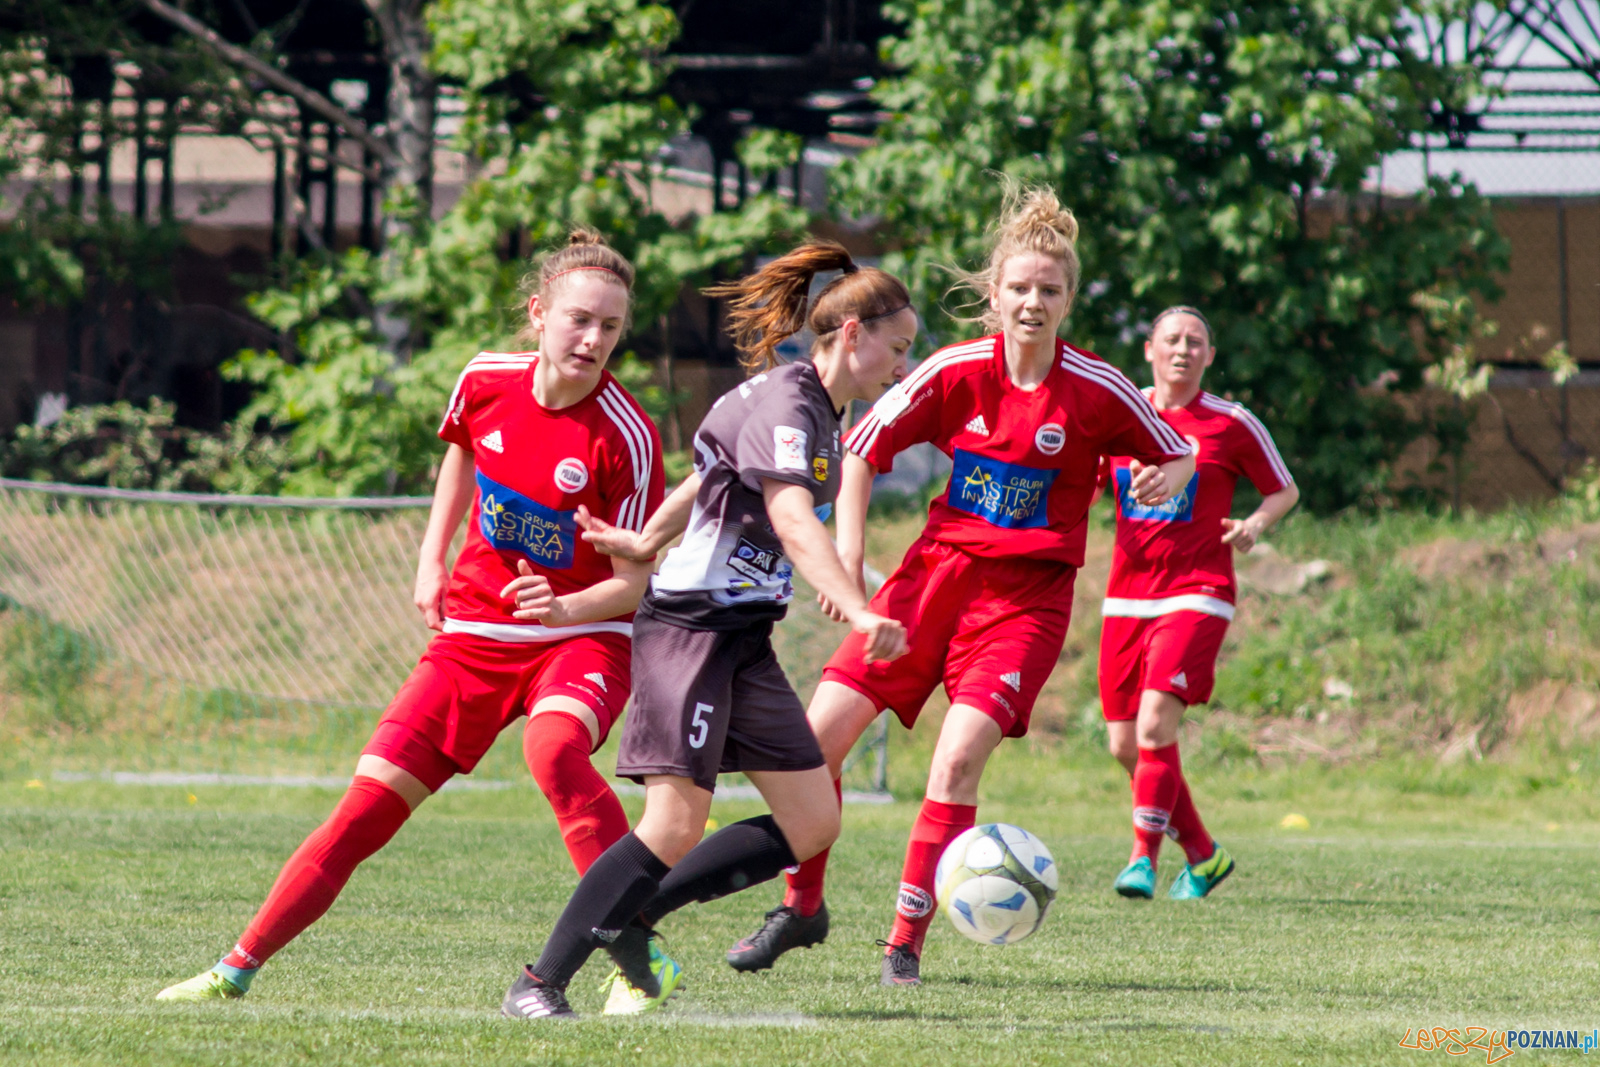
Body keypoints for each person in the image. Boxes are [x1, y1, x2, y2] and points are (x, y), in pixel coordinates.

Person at [156, 229, 664, 1002]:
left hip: (581, 637)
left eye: (611, 326)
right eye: (579, 319)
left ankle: (635, 959)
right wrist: (431, 559)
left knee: (555, 748)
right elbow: (460, 451)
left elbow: (636, 581)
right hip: (472, 638)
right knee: (364, 809)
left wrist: (565, 604)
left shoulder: (626, 433)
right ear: (538, 313)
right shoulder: (485, 380)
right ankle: (235, 967)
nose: (594, 338)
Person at [727, 183, 1197, 988]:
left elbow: (1173, 446)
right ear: (994, 293)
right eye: (1019, 287)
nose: (1033, 302)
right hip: (930, 581)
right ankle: (803, 907)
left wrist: (1174, 469)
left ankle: (904, 942)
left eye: (1050, 289)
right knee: (814, 745)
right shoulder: (953, 370)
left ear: (1068, 298)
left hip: (1025, 604)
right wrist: (848, 575)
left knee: (955, 767)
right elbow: (862, 450)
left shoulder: (1096, 388)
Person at [499, 241, 915, 1020]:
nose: (902, 365)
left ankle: (631, 918)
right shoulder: (791, 405)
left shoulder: (819, 408)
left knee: (813, 818)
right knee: (675, 820)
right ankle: (538, 980)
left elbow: (707, 476)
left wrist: (647, 539)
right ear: (852, 334)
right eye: (898, 348)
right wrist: (857, 608)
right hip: (690, 630)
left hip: (743, 635)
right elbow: (791, 517)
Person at [1097, 305, 1298, 901]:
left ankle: (1143, 861)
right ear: (1150, 350)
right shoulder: (1120, 413)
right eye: (1171, 339)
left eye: (1196, 342)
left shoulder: (1229, 421)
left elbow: (1283, 489)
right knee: (1125, 745)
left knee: (1158, 722)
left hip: (1198, 589)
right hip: (1126, 596)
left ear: (1209, 356)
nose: (1183, 349)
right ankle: (1204, 856)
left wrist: (1257, 524)